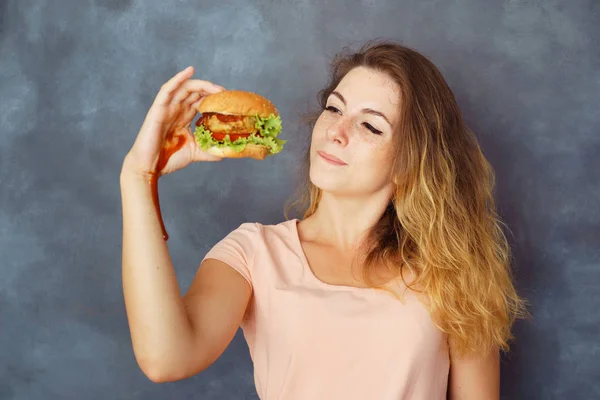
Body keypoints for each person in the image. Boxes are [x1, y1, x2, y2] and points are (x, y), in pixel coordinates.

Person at [120, 40, 527, 399]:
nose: (336, 130)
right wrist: (138, 178)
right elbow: (165, 359)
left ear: (409, 165)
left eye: (370, 125)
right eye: (334, 108)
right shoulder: (252, 253)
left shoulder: (453, 274)